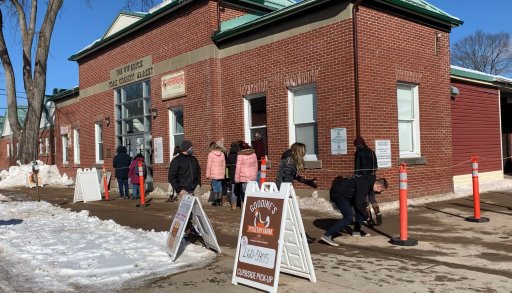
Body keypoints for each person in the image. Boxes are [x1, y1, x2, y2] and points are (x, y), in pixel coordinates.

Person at [320, 175, 388, 247]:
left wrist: (371, 215)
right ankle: (327, 235)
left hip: (348, 194)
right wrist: (367, 218)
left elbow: (364, 203)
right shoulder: (364, 184)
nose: (381, 192)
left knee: (361, 209)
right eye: (382, 190)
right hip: (338, 194)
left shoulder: (369, 183)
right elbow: (359, 203)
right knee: (348, 218)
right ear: (379, 186)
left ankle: (356, 231)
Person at [276, 142, 317, 243]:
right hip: (284, 190)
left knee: (289, 214)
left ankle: (300, 235)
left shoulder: (289, 158)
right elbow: (287, 177)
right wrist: (290, 193)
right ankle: (302, 236)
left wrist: (306, 181)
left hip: (283, 189)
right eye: (304, 150)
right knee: (294, 213)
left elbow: (291, 175)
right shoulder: (290, 160)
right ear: (299, 151)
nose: (305, 152)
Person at [353, 136, 383, 228]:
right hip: (372, 177)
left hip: (363, 179)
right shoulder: (371, 152)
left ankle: (369, 219)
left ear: (357, 145)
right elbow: (376, 166)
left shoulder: (359, 152)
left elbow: (357, 167)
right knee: (372, 197)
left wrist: (356, 177)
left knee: (365, 200)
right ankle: (378, 213)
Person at [234, 142, 258, 207]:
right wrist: (255, 174)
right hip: (252, 175)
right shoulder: (253, 154)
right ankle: (253, 204)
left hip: (244, 176)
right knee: (252, 191)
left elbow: (238, 168)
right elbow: (256, 165)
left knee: (245, 192)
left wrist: (236, 179)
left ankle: (247, 206)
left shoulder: (240, 155)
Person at [206, 142, 226, 207]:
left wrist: (207, 175)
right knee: (219, 186)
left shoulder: (210, 154)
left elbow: (209, 165)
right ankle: (219, 201)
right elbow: (224, 165)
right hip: (220, 173)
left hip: (214, 174)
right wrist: (223, 173)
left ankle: (215, 201)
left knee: (215, 187)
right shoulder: (222, 154)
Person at [227, 141, 241, 210]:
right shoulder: (239, 154)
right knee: (240, 189)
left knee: (233, 189)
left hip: (232, 173)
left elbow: (227, 164)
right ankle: (241, 203)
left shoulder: (229, 154)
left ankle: (233, 205)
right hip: (239, 173)